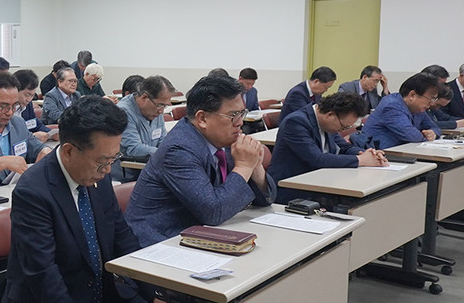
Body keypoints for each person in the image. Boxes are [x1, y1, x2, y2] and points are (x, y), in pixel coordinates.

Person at [3, 97, 180, 303]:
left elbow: (122, 238)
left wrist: (153, 293)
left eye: (114, 159)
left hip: (99, 291)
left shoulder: (97, 176)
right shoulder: (33, 192)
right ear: (70, 151)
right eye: (103, 161)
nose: (109, 169)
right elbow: (43, 274)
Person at [125, 76, 275, 246]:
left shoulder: (223, 140)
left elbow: (266, 199)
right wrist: (244, 166)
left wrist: (256, 170)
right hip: (160, 242)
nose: (240, 122)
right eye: (233, 115)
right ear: (202, 118)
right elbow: (213, 211)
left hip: (199, 232)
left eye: (242, 113)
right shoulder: (179, 150)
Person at [269, 92, 388, 203]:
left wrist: (366, 154)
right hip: (291, 190)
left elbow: (343, 147)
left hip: (319, 183)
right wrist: (360, 160)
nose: (343, 130)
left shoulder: (328, 123)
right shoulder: (296, 122)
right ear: (330, 115)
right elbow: (317, 159)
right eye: (343, 127)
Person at [111, 76, 176, 182]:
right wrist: (168, 154)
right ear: (144, 98)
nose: (161, 111)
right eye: (160, 105)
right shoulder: (123, 112)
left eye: (165, 106)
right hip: (126, 177)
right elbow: (134, 149)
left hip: (150, 169)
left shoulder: (155, 108)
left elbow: (163, 140)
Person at [357, 72, 441, 149]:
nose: (432, 104)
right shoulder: (391, 106)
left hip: (401, 153)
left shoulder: (418, 109)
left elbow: (435, 127)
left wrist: (433, 133)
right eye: (431, 99)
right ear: (412, 95)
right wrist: (426, 137)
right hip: (380, 155)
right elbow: (413, 137)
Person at [13, 69, 57, 143]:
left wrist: (52, 133)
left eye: (32, 95)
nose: (29, 99)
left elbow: (36, 125)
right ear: (15, 90)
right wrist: (32, 137)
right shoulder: (6, 110)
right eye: (27, 95)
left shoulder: (28, 105)